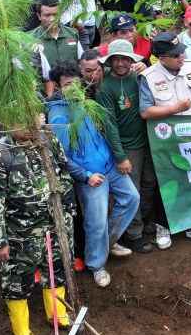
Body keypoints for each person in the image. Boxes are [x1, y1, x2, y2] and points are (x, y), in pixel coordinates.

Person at [0, 125, 76, 335]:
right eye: (23, 121)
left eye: (34, 117)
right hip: (19, 234)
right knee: (17, 279)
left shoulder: (48, 140)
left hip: (56, 225)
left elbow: (64, 172)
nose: (31, 125)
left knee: (58, 268)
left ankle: (57, 312)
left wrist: (69, 213)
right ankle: (22, 328)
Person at [46, 64, 140, 288]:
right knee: (95, 221)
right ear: (58, 87)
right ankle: (97, 265)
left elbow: (106, 131)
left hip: (110, 167)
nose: (74, 88)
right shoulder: (58, 116)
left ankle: (107, 243)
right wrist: (86, 175)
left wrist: (117, 158)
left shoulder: (90, 105)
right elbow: (62, 157)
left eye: (76, 83)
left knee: (132, 198)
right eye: (68, 84)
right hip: (91, 176)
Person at [139, 32, 191, 249]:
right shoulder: (149, 77)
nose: (181, 57)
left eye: (181, 51)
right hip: (166, 141)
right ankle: (163, 226)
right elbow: (145, 111)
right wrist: (174, 109)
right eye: (175, 55)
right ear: (162, 57)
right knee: (167, 182)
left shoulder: (190, 66)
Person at [97, 39, 160, 254]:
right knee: (131, 191)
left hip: (148, 140)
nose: (121, 63)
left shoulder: (140, 77)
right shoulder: (105, 88)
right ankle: (134, 234)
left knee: (149, 183)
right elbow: (109, 125)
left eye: (125, 59)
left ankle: (148, 221)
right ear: (110, 61)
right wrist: (120, 156)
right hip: (127, 147)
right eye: (117, 60)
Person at [30, 0, 84, 97]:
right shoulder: (30, 39)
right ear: (38, 16)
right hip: (46, 96)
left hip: (73, 92)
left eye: (56, 14)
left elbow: (82, 62)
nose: (52, 19)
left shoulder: (72, 34)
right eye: (47, 15)